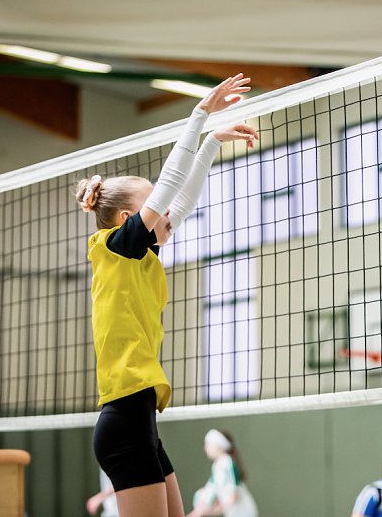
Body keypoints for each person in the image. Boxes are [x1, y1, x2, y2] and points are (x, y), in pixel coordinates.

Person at [78, 73, 258, 517]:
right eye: (154, 204)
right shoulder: (115, 247)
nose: (169, 211)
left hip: (140, 422)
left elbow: (182, 197)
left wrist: (213, 142)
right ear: (126, 218)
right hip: (124, 422)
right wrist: (199, 115)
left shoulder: (138, 257)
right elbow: (172, 184)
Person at [187, 429, 258, 517]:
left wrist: (213, 511)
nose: (205, 448)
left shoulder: (226, 463)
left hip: (242, 513)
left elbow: (234, 496)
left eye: (208, 444)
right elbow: (213, 489)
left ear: (218, 446)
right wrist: (198, 511)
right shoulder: (218, 465)